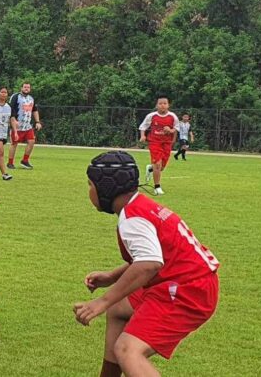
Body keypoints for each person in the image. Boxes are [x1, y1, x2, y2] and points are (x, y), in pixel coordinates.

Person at [76, 151, 219, 377]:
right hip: (189, 281)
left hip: (186, 291)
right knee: (119, 308)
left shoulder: (132, 219)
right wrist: (112, 276)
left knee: (127, 350)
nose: (89, 191)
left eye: (90, 184)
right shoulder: (141, 206)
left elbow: (149, 264)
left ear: (106, 187)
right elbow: (156, 256)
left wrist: (100, 302)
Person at [138, 97, 179, 196]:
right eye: (160, 103)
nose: (162, 105)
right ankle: (157, 187)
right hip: (154, 143)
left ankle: (150, 169)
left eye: (165, 103)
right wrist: (143, 136)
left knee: (161, 167)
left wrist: (170, 130)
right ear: (157, 105)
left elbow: (176, 129)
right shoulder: (151, 116)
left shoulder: (172, 116)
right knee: (157, 164)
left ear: (168, 105)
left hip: (166, 143)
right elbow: (143, 126)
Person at [7, 82, 41, 170]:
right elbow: (11, 109)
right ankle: (10, 163)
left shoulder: (31, 99)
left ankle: (25, 161)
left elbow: (35, 110)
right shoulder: (15, 96)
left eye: (28, 87)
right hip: (17, 126)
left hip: (27, 126)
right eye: (25, 87)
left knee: (31, 141)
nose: (26, 88)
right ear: (21, 88)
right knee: (14, 144)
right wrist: (13, 120)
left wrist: (37, 121)